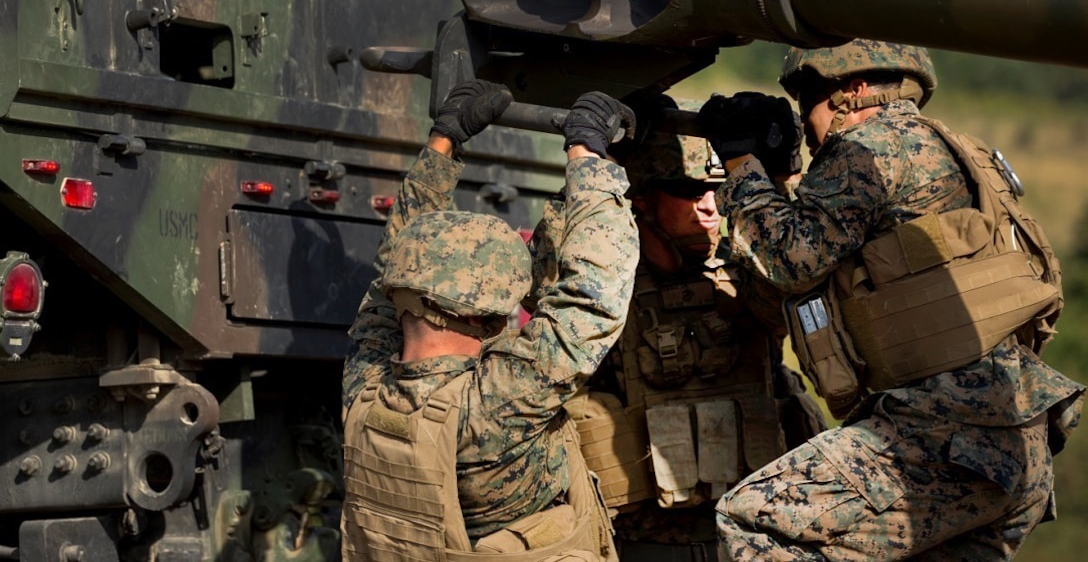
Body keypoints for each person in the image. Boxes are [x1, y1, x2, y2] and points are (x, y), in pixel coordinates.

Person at [699, 39, 1084, 560]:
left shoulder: (865, 149)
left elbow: (790, 260)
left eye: (807, 100)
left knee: (755, 520)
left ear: (850, 92)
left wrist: (742, 164)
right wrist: (784, 180)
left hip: (942, 437)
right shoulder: (944, 145)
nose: (806, 126)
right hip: (1012, 445)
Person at [340, 81, 639, 560]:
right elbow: (592, 300)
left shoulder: (366, 388)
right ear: (489, 322)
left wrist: (445, 141)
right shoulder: (494, 403)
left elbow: (388, 275)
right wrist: (589, 158)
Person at [525, 96, 826, 561]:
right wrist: (590, 163)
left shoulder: (746, 264)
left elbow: (802, 287)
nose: (710, 207)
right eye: (689, 191)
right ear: (641, 197)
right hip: (641, 537)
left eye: (715, 189)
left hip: (752, 530)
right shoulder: (604, 279)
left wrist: (783, 173)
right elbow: (548, 279)